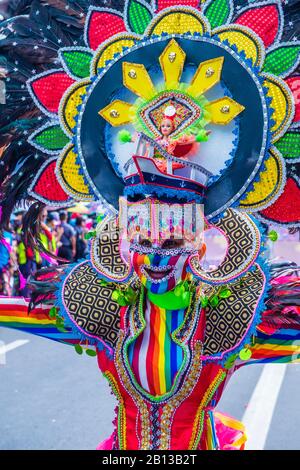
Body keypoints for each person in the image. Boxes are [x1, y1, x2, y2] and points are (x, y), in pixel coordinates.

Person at [0, 0, 299, 452]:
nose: (157, 250)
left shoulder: (234, 310)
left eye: (175, 231)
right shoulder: (100, 307)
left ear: (202, 240)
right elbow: (18, 310)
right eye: (142, 231)